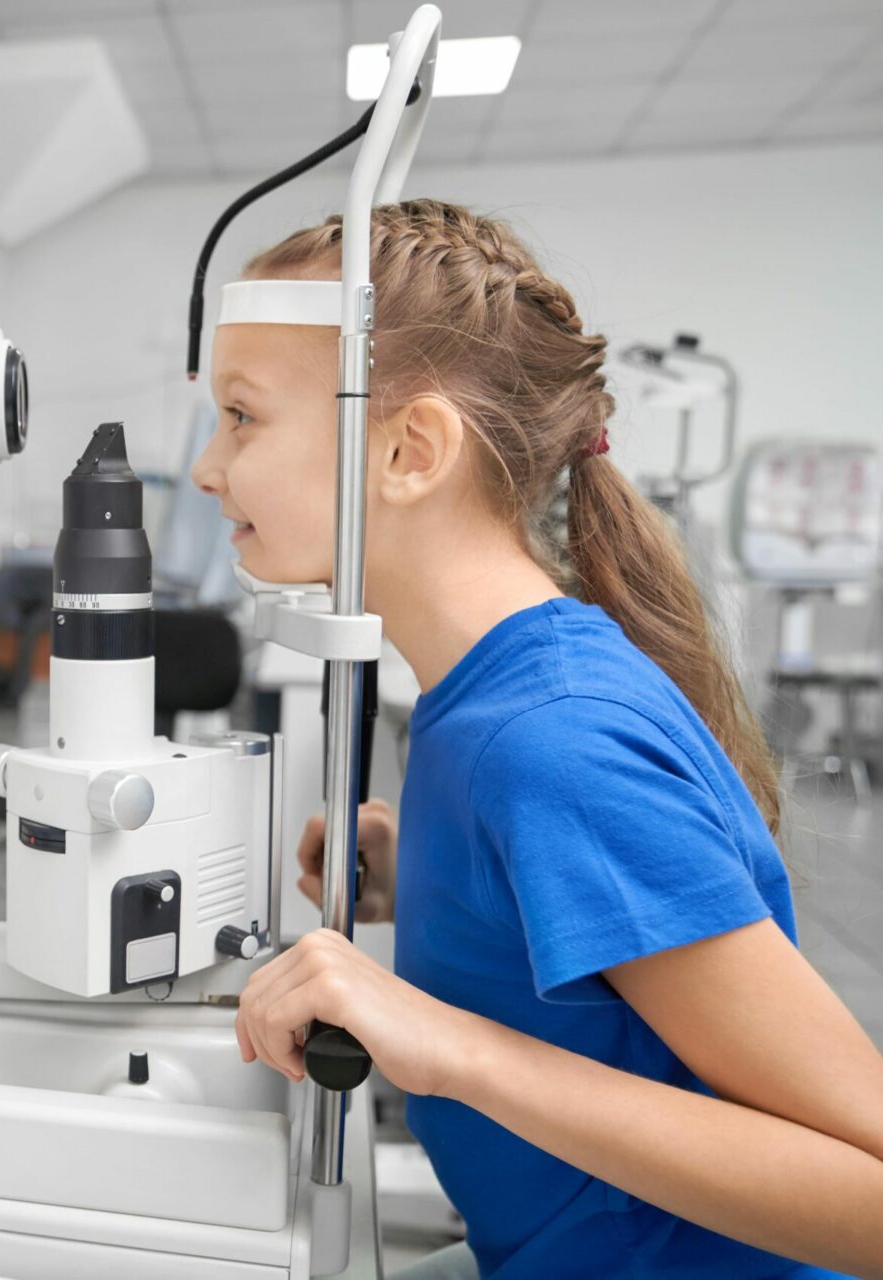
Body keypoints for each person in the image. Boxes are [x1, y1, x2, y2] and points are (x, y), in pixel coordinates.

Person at [195, 200, 883, 1278]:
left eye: (240, 416)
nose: (205, 465)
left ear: (410, 447)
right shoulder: (486, 699)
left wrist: (458, 1047)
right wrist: (443, 883)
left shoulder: (552, 741)